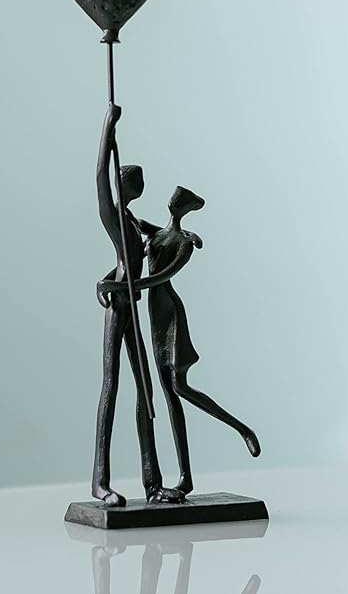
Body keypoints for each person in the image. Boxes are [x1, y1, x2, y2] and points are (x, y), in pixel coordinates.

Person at [98, 186, 261, 499]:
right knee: (169, 395)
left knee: (179, 388)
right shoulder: (156, 233)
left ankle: (242, 429)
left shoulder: (184, 243)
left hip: (170, 316)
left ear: (185, 208)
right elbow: (129, 238)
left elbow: (163, 276)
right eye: (173, 197)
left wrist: (127, 286)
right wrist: (112, 281)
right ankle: (185, 478)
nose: (172, 200)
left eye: (179, 199)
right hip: (153, 316)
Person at [92, 103, 182, 507]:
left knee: (145, 392)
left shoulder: (131, 220)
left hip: (131, 300)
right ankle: (100, 482)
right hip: (119, 307)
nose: (140, 183)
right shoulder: (112, 216)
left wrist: (184, 234)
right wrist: (108, 127)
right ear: (124, 184)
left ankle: (152, 483)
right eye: (136, 180)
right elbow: (99, 175)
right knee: (111, 386)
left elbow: (161, 234)